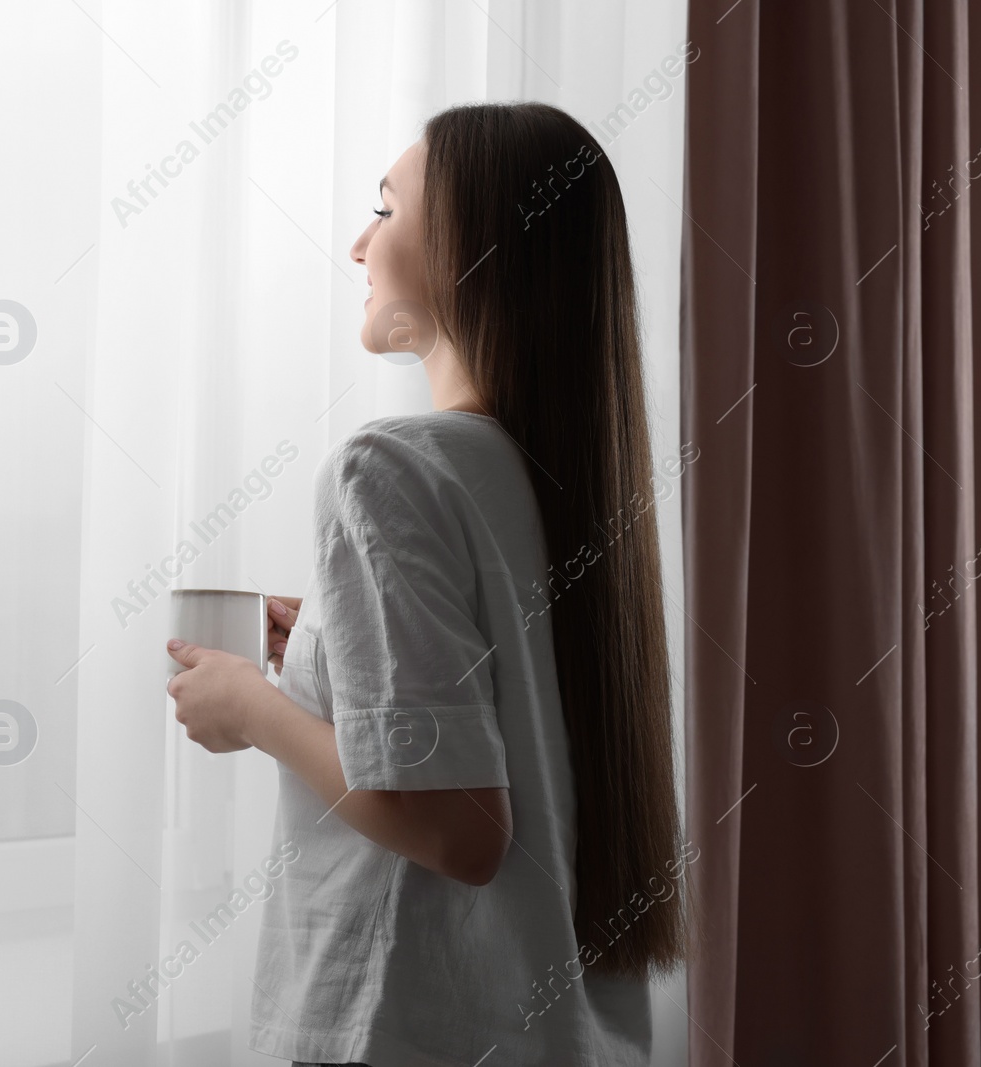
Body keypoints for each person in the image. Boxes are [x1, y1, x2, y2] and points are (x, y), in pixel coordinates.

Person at [164, 102, 688, 1066]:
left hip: (408, 1026)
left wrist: (252, 707)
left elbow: (460, 832)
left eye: (385, 209)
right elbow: (506, 712)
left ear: (470, 246)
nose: (359, 243)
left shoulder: (387, 466)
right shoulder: (556, 478)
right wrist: (328, 648)